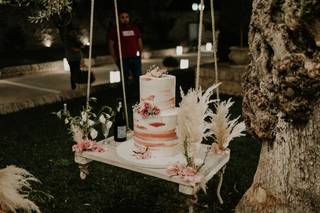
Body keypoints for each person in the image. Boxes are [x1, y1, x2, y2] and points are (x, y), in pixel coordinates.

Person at [108, 10, 143, 92]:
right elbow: (111, 44)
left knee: (138, 78)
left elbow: (139, 41)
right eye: (122, 17)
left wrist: (140, 54)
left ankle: (139, 95)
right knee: (125, 80)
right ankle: (126, 97)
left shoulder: (135, 28)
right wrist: (114, 57)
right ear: (119, 19)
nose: (125, 19)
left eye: (127, 17)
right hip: (123, 59)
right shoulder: (115, 30)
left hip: (135, 58)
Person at [64, 26, 84, 90]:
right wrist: (79, 47)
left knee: (77, 71)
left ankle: (78, 84)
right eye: (73, 31)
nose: (74, 32)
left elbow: (81, 44)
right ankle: (74, 86)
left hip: (77, 58)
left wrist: (79, 43)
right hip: (72, 58)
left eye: (75, 31)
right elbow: (74, 48)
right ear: (70, 32)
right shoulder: (68, 39)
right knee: (73, 72)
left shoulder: (75, 38)